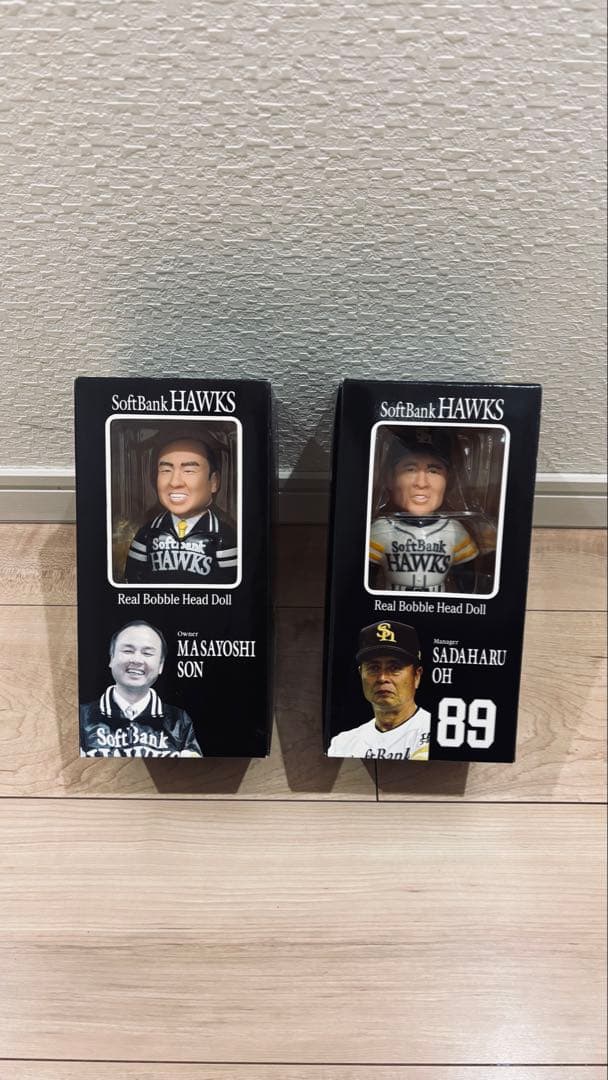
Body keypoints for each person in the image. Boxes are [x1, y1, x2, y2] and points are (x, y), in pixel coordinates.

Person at [368, 428, 478, 592]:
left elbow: (467, 582)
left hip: (440, 606)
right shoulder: (381, 529)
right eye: (410, 469)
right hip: (391, 604)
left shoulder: (454, 531)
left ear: (449, 481)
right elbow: (363, 580)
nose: (421, 483)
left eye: (433, 471)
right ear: (390, 478)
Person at [80, 620, 202, 757]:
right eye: (128, 651)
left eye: (147, 653)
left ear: (161, 665)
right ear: (111, 658)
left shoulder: (179, 721)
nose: (137, 660)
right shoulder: (81, 717)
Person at [125, 437, 237, 585]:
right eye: (165, 470)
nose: (174, 482)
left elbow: (232, 586)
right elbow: (132, 580)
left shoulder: (222, 536)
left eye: (189, 471)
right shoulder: (148, 533)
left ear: (214, 482)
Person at [327, 621, 431, 761]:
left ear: (416, 676)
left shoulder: (438, 734)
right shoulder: (343, 743)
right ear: (361, 673)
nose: (382, 678)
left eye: (394, 668)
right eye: (374, 668)